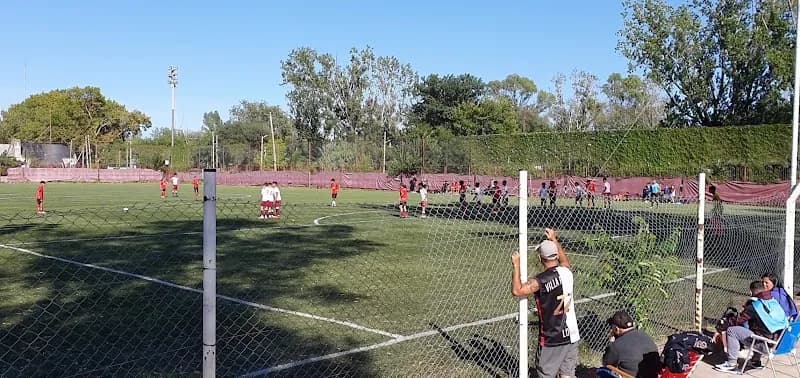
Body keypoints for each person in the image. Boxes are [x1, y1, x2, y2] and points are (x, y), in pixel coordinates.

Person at [512, 228, 580, 378]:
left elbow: (517, 291)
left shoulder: (540, 281)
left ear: (541, 258)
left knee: (545, 374)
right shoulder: (567, 272)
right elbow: (565, 261)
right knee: (568, 374)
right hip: (572, 333)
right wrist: (554, 240)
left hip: (552, 337)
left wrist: (516, 265)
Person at [714, 280, 789, 371]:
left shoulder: (755, 306)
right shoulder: (773, 302)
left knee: (732, 331)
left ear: (751, 292)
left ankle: (731, 363)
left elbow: (737, 321)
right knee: (760, 330)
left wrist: (724, 323)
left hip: (766, 345)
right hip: (781, 343)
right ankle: (755, 361)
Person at [600, 311, 660, 378]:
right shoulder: (644, 335)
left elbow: (606, 363)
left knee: (602, 371)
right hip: (654, 375)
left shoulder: (616, 345)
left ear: (616, 329)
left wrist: (611, 342)